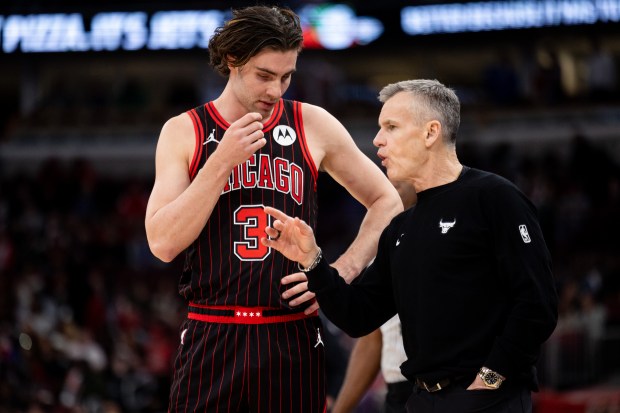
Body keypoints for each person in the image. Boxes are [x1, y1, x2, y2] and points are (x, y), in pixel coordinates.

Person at [144, 5, 403, 413]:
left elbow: (388, 200)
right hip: (212, 331)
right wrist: (221, 162)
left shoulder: (311, 123)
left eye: (286, 77)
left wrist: (342, 271)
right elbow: (162, 243)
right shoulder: (184, 130)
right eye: (264, 76)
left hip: (290, 334)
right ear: (233, 61)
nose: (275, 90)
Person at [263, 79, 558, 413]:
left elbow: (537, 302)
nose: (377, 140)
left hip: (487, 398)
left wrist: (492, 376)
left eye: (391, 127)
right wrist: (313, 261)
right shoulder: (401, 227)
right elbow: (359, 316)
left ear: (431, 133)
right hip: (419, 399)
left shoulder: (494, 197)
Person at [332, 181, 416, 413]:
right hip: (398, 392)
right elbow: (373, 339)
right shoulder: (382, 251)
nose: (391, 182)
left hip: (449, 388)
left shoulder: (454, 234)